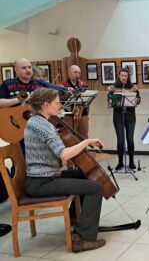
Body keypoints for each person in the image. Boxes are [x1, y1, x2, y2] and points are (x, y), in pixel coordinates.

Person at [24, 88, 106, 252]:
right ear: (45, 105)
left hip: (44, 177)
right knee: (95, 188)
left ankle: (77, 220)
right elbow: (64, 155)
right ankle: (84, 239)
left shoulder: (38, 121)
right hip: (42, 182)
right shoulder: (42, 125)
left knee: (86, 175)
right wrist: (86, 141)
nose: (60, 106)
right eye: (57, 103)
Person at [107, 68, 141, 170]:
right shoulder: (113, 87)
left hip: (130, 116)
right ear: (119, 76)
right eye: (122, 76)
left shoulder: (133, 86)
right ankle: (120, 162)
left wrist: (137, 99)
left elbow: (138, 99)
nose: (124, 78)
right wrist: (111, 99)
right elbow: (108, 99)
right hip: (118, 116)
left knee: (130, 140)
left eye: (126, 76)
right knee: (120, 140)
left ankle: (131, 161)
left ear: (128, 77)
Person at [58, 65, 90, 139]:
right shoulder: (62, 85)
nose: (77, 74)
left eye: (79, 73)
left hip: (83, 115)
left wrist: (87, 114)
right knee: (70, 137)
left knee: (84, 136)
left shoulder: (84, 85)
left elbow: (88, 101)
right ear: (69, 73)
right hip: (70, 115)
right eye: (75, 72)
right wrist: (69, 93)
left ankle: (84, 151)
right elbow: (60, 101)